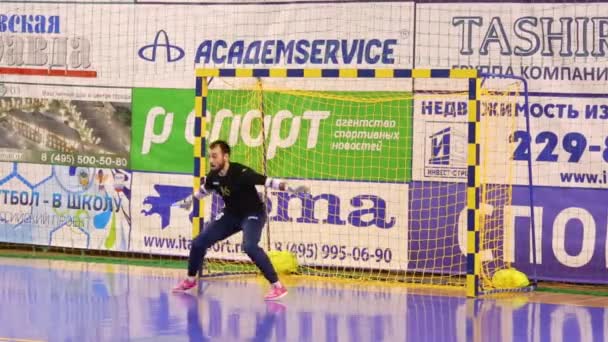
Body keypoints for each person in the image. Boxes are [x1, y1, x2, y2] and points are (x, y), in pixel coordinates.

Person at [172, 140, 309, 300]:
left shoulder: (242, 173)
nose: (211, 160)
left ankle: (278, 287)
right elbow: (205, 189)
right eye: (210, 157)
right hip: (231, 215)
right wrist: (189, 200)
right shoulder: (213, 176)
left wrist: (291, 189)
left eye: (215, 156)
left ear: (226, 156)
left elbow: (268, 181)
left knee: (249, 246)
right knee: (198, 243)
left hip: (253, 213)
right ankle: (190, 280)